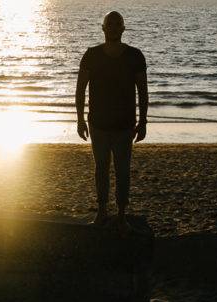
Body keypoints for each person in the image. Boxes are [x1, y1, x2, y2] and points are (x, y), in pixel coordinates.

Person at [75, 11, 148, 227]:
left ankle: (122, 214)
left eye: (118, 24)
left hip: (125, 126)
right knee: (101, 169)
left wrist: (143, 122)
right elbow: (80, 90)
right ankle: (102, 211)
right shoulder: (92, 55)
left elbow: (143, 92)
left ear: (123, 29)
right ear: (103, 28)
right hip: (98, 124)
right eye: (110, 24)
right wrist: (79, 120)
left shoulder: (135, 56)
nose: (114, 27)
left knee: (123, 170)